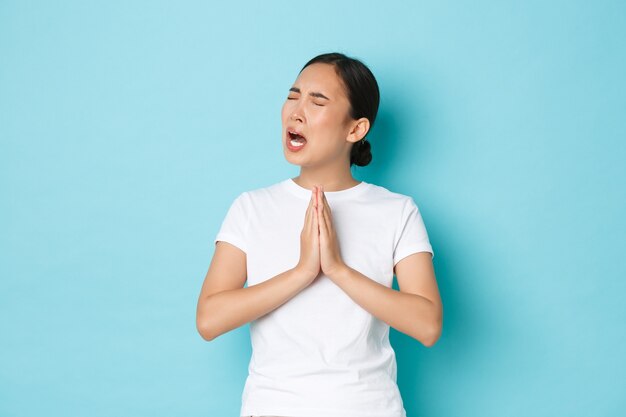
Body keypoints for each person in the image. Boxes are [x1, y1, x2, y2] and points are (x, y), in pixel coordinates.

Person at [196, 52, 443, 417]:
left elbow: (427, 324)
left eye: (317, 101)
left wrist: (338, 269)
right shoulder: (251, 207)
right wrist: (302, 272)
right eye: (293, 95)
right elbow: (209, 319)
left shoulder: (396, 211)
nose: (296, 111)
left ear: (355, 129)